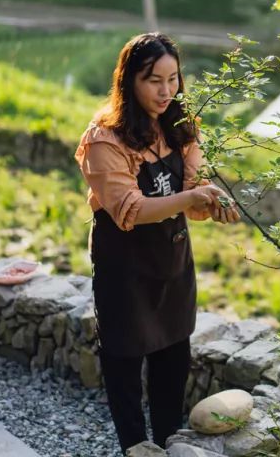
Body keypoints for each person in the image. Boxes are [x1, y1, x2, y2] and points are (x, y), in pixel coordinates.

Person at [74, 32, 240, 453]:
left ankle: (171, 441)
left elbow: (193, 187)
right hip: (125, 267)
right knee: (125, 361)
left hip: (171, 260)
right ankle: (134, 446)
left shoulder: (180, 126)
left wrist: (212, 200)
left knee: (173, 358)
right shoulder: (104, 139)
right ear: (129, 81)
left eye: (173, 79)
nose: (167, 91)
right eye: (154, 80)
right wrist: (191, 198)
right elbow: (129, 208)